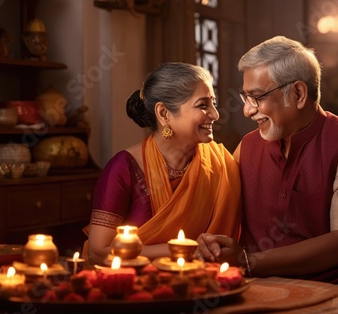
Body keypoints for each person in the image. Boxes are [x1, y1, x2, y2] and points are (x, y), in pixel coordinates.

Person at [196, 36, 338, 313]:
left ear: (298, 94)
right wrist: (213, 243)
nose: (247, 110)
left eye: (257, 97)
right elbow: (226, 211)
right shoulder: (247, 147)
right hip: (264, 277)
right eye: (245, 98)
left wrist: (249, 261)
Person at [84, 62, 241, 265]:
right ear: (164, 114)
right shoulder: (124, 167)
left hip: (203, 284)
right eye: (203, 105)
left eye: (214, 104)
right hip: (136, 287)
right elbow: (98, 251)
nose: (215, 114)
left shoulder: (221, 165)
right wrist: (182, 250)